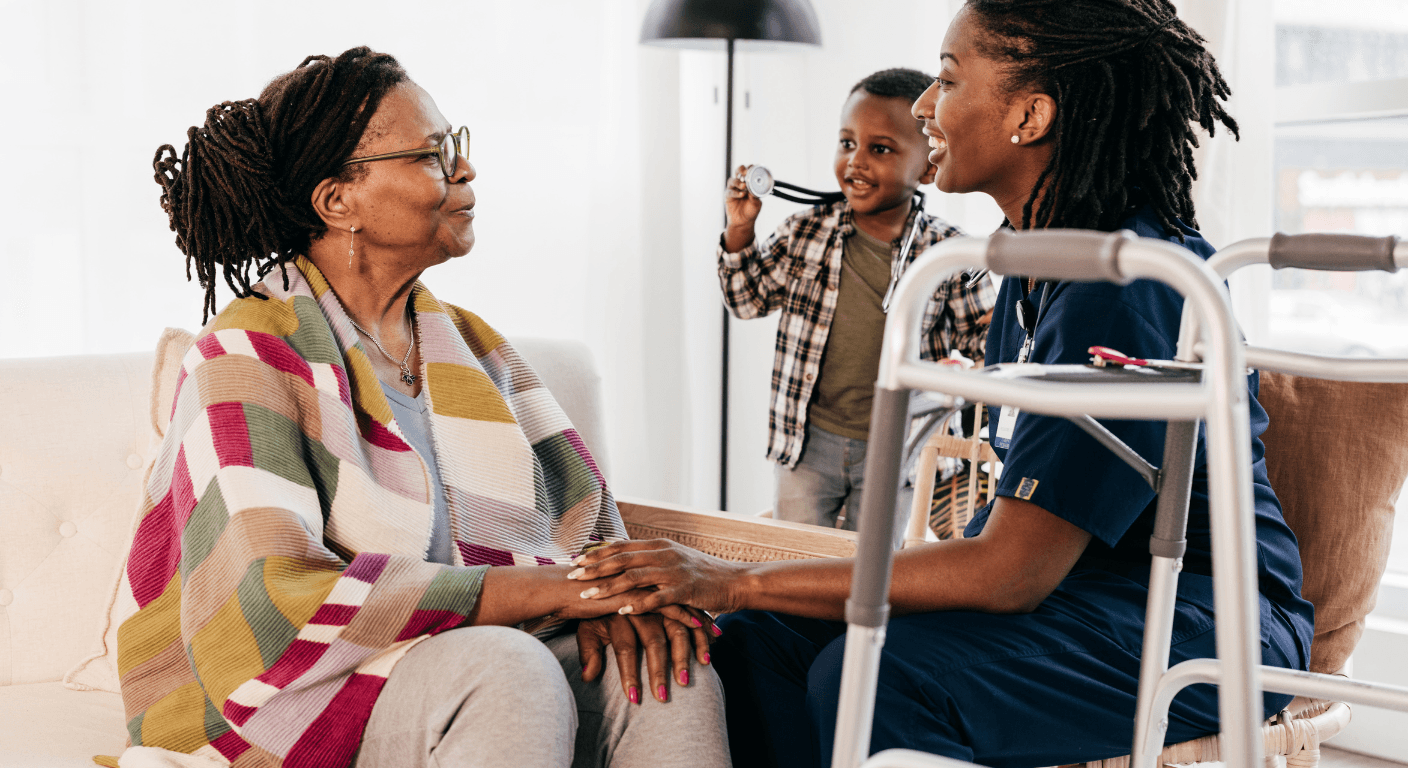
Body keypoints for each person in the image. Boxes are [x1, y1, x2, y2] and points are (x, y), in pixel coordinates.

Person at [567, 2, 1315, 766]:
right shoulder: (1032, 263)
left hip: (1210, 619)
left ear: (1030, 114)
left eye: (948, 81)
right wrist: (742, 597)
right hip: (1079, 596)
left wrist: (735, 578)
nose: (926, 105)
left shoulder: (1124, 285)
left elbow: (1011, 572)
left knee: (878, 674)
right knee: (761, 644)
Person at [114, 48, 729, 768]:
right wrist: (549, 590)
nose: (464, 171)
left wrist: (617, 602)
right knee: (505, 667)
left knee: (665, 672)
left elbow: (587, 533)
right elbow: (267, 602)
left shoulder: (478, 351)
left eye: (456, 147)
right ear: (337, 200)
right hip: (293, 693)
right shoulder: (245, 356)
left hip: (463, 662)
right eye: (434, 154)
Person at [719, 68, 997, 532]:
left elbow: (988, 345)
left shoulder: (949, 254)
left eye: (880, 149)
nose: (856, 162)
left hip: (897, 448)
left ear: (928, 167)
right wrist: (740, 229)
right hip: (805, 444)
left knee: (873, 570)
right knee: (799, 561)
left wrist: (965, 378)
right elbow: (747, 300)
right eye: (847, 143)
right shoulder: (805, 230)